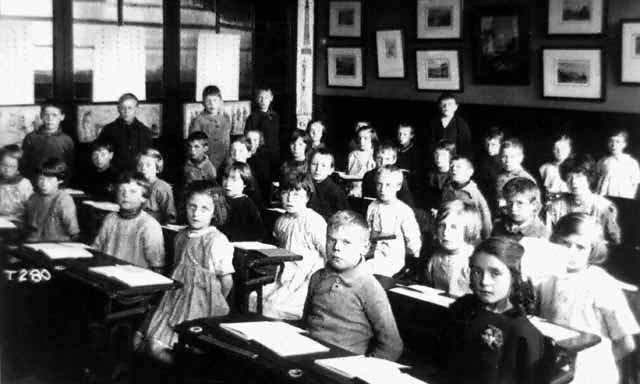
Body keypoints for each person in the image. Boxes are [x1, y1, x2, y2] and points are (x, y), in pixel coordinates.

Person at [138, 181, 234, 364]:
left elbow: (226, 281)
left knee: (168, 347)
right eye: (192, 207)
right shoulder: (181, 236)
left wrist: (215, 305)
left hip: (202, 304)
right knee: (145, 341)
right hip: (175, 298)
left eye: (205, 209)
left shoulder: (217, 241)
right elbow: (177, 270)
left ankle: (185, 365)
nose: (196, 213)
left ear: (215, 212)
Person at [539, 213, 639, 384]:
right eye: (565, 243)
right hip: (556, 369)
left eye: (580, 247)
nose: (571, 252)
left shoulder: (601, 284)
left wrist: (599, 363)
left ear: (593, 249)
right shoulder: (546, 277)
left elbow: (626, 342)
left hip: (592, 372)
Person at [438, 237, 547, 384]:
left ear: (515, 277)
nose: (484, 281)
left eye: (495, 273)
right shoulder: (462, 308)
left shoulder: (522, 331)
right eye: (477, 271)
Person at [302, 210, 403, 361]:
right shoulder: (317, 277)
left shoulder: (369, 287)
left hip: (342, 366)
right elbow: (306, 321)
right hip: (307, 354)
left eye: (346, 242)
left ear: (365, 247)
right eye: (331, 240)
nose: (336, 247)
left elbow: (392, 346)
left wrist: (361, 373)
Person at [262, 172, 326, 320]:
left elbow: (327, 255)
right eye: (285, 193)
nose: (290, 199)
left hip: (306, 279)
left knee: (272, 308)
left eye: (296, 194)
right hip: (283, 274)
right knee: (254, 298)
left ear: (307, 197)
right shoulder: (281, 221)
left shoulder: (314, 221)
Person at [92, 172, 165, 271]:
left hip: (135, 278)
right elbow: (96, 248)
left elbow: (157, 264)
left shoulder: (149, 225)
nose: (125, 195)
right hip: (106, 271)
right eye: (121, 190)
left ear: (144, 197)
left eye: (133, 191)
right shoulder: (110, 218)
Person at [544, 154, 621, 245]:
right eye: (569, 177)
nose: (573, 182)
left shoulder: (603, 207)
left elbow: (614, 242)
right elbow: (548, 238)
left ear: (589, 177)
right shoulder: (555, 206)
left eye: (579, 177)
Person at [366, 166, 421, 277]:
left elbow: (413, 240)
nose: (382, 189)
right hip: (372, 254)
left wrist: (413, 257)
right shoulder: (372, 206)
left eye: (388, 185)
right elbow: (368, 230)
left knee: (366, 272)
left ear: (398, 186)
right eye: (379, 184)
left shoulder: (403, 210)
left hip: (392, 258)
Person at [424, 200, 481, 297]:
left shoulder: (473, 261)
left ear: (469, 229)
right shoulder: (435, 257)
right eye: (442, 226)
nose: (446, 232)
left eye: (454, 227)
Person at [24, 158, 78, 242]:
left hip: (57, 244)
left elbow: (73, 231)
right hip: (34, 242)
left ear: (60, 180)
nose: (44, 184)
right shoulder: (33, 197)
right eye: (41, 179)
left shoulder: (64, 199)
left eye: (49, 180)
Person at [96, 93, 153, 171]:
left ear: (136, 109)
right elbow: (99, 154)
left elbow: (149, 157)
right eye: (123, 108)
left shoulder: (145, 131)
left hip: (138, 176)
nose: (126, 111)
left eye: (130, 108)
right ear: (118, 109)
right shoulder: (108, 130)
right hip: (114, 176)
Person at [21, 101, 75, 181]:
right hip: (35, 182)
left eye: (54, 115)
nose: (50, 119)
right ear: (41, 116)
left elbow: (70, 166)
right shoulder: (31, 138)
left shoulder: (67, 140)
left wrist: (64, 183)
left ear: (62, 117)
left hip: (58, 183)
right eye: (46, 115)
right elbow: (24, 164)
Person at [441, 156, 492, 239]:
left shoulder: (472, 194)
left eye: (458, 167)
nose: (454, 169)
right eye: (451, 166)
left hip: (468, 234)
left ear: (470, 172)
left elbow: (485, 216)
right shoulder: (448, 188)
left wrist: (486, 237)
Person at [188, 85, 231, 169]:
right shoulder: (198, 120)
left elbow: (227, 141)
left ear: (220, 102)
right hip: (204, 162)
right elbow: (194, 143)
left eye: (215, 100)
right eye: (208, 101)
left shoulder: (225, 119)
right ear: (203, 103)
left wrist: (228, 158)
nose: (212, 104)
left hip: (223, 160)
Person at [220, 162, 264, 242]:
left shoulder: (247, 205)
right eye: (225, 178)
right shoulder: (220, 201)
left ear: (245, 183)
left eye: (234, 179)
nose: (228, 183)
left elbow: (257, 233)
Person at [362, 143, 415, 208]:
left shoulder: (398, 176)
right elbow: (366, 201)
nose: (383, 162)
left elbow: (408, 204)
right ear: (374, 158)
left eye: (387, 159)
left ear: (394, 160)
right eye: (379, 158)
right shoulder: (368, 176)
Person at [595, 128, 640, 199]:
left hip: (623, 198)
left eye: (618, 142)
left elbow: (635, 184)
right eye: (611, 141)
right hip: (603, 198)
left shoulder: (631, 162)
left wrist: (629, 198)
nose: (613, 145)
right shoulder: (602, 161)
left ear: (624, 144)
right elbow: (597, 179)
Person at [493, 138, 536, 211]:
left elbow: (535, 205)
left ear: (521, 158)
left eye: (512, 157)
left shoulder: (525, 179)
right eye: (504, 156)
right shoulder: (500, 176)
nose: (508, 160)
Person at [425, 92, 472, 159]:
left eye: (450, 104)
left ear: (456, 107)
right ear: (439, 106)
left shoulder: (461, 124)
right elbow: (429, 145)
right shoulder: (433, 123)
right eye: (443, 104)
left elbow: (465, 147)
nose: (446, 107)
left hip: (455, 158)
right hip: (437, 158)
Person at [137, 149, 176, 225]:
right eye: (140, 165)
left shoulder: (162, 188)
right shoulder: (135, 184)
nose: (143, 168)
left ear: (157, 168)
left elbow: (170, 217)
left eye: (148, 165)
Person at [244, 87, 280, 171]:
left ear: (271, 98)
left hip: (274, 153)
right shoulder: (252, 117)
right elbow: (248, 138)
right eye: (260, 97)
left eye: (266, 97)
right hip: (258, 154)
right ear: (256, 99)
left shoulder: (275, 116)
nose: (263, 101)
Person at [307, 149, 349, 220]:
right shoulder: (305, 185)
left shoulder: (336, 192)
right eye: (314, 164)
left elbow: (344, 218)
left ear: (331, 170)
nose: (318, 169)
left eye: (323, 166)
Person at [0, 145, 33, 226]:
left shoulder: (24, 184)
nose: (7, 170)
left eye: (12, 167)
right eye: (4, 165)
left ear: (19, 167)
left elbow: (31, 208)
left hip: (17, 222)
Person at [346, 125, 377, 197]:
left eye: (365, 138)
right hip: (355, 190)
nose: (361, 141)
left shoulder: (377, 154)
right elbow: (351, 176)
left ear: (372, 139)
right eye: (359, 138)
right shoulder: (353, 155)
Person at [424, 140, 455, 210]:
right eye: (436, 154)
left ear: (450, 156)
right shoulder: (430, 174)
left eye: (443, 155)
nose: (438, 158)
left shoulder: (454, 175)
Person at [475, 127, 504, 200]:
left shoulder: (504, 161)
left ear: (501, 144)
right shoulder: (481, 158)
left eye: (493, 145)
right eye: (487, 144)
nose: (489, 148)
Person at [245, 128, 272, 203]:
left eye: (255, 140)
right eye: (248, 139)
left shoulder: (264, 157)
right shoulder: (241, 154)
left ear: (260, 141)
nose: (252, 143)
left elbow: (266, 181)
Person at [396, 123, 423, 195]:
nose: (401, 137)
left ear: (411, 136)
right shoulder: (394, 149)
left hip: (409, 186)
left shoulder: (416, 152)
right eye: (399, 134)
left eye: (405, 134)